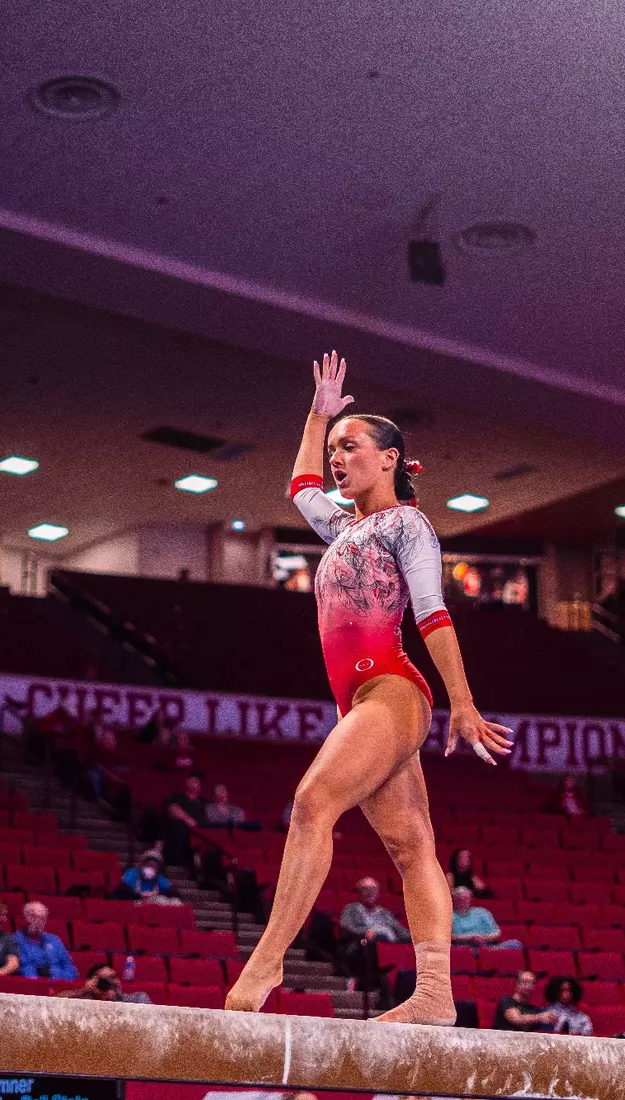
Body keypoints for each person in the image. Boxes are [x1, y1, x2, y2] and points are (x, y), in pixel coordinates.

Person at [225, 352, 512, 1025]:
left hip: (393, 689)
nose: (335, 457)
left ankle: (265, 963)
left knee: (312, 801)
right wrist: (317, 414)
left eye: (350, 446)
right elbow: (298, 485)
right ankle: (436, 993)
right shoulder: (343, 527)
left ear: (390, 459)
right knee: (414, 849)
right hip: (362, 701)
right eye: (333, 450)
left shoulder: (406, 526)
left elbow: (433, 614)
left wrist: (463, 702)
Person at [13, 900, 77, 980]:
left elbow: (71, 970)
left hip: (60, 986)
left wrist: (53, 975)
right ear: (23, 918)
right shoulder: (14, 941)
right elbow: (26, 970)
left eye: (42, 918)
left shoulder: (55, 940)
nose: (38, 921)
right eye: (33, 917)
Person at [449, 885, 520, 948]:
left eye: (466, 898)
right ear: (453, 900)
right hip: (463, 949)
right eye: (460, 899)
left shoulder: (482, 912)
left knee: (515, 944)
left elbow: (497, 933)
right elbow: (447, 937)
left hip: (487, 947)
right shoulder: (448, 916)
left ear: (471, 899)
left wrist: (483, 938)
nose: (463, 901)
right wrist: (470, 938)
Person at [161, 773, 208, 867]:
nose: (195, 784)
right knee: (179, 829)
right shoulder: (176, 797)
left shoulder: (205, 803)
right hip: (180, 833)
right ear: (187, 782)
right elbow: (173, 809)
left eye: (197, 782)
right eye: (192, 781)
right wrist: (188, 819)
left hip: (199, 834)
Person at [57, 962, 152, 1003]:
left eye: (114, 977)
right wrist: (84, 990)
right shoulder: (87, 1001)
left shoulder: (137, 999)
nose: (113, 983)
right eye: (105, 980)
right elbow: (52, 1003)